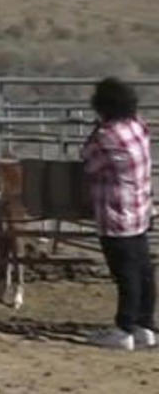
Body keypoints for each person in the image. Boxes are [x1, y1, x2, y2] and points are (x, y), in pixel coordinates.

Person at [81, 77, 155, 350]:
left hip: (115, 213)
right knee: (143, 269)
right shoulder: (138, 126)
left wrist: (95, 132)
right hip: (140, 208)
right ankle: (145, 325)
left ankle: (124, 328)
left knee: (125, 273)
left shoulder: (106, 136)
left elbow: (88, 162)